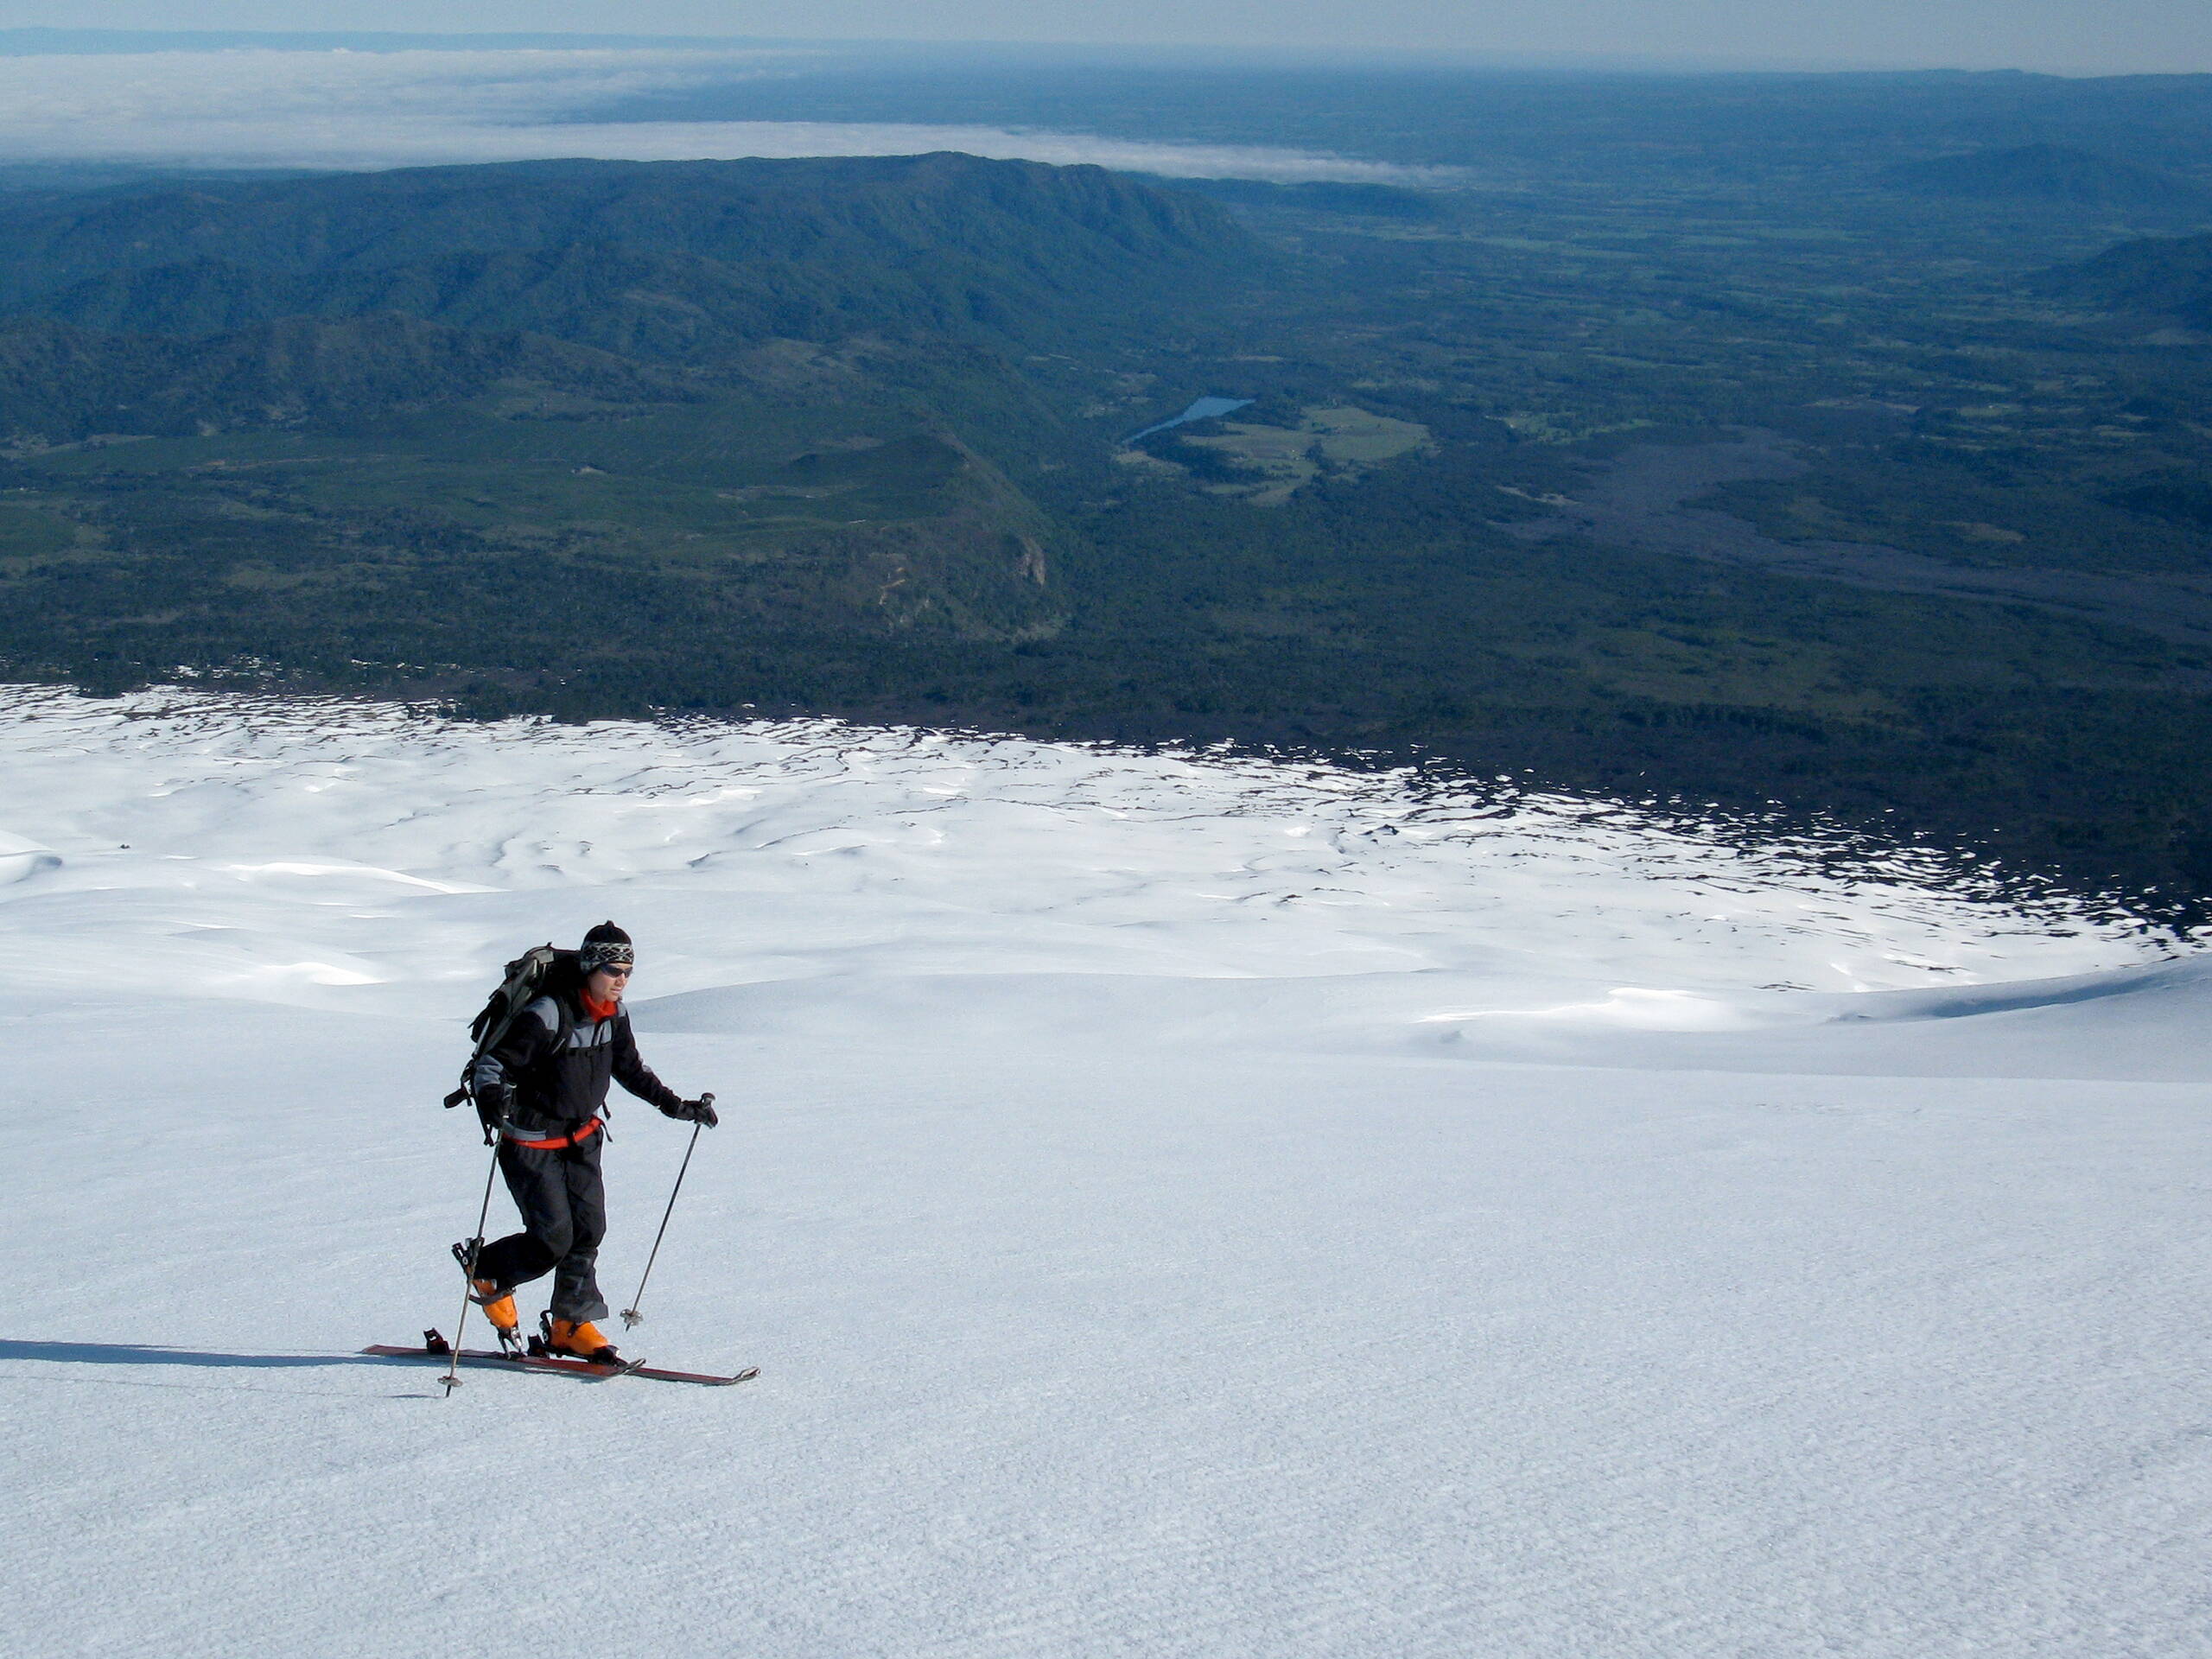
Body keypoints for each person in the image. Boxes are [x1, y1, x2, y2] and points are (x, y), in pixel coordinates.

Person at [458, 921, 716, 1363]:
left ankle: (570, 1325)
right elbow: (493, 1067)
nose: (621, 980)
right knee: (551, 1239)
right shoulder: (548, 1013)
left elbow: (631, 1069)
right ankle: (489, 1270)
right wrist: (492, 1097)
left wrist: (676, 1107)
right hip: (530, 1141)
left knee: (589, 1230)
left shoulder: (615, 1014)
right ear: (590, 967)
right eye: (614, 970)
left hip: (582, 1138)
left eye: (628, 972)